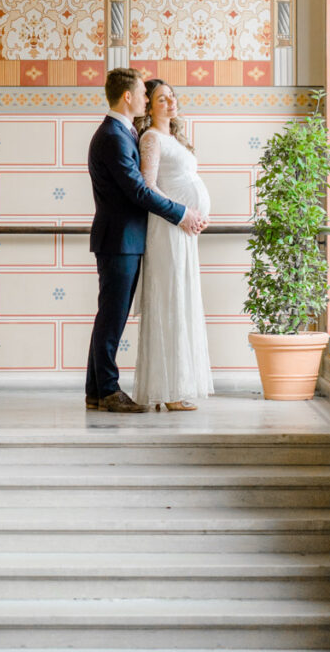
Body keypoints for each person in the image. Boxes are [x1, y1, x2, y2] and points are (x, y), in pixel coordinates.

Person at [86, 68, 206, 413]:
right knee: (112, 317)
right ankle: (107, 390)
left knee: (111, 316)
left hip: (126, 238)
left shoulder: (120, 133)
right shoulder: (113, 135)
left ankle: (95, 390)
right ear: (129, 97)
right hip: (120, 239)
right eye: (142, 94)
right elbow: (138, 190)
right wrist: (181, 214)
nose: (145, 98)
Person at [132, 79, 213, 411]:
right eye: (161, 99)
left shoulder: (174, 138)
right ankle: (166, 390)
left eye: (172, 97)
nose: (170, 102)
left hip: (184, 230)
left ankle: (175, 387)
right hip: (167, 229)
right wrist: (182, 214)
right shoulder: (151, 138)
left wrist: (196, 215)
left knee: (183, 300)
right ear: (149, 106)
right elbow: (148, 186)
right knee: (170, 301)